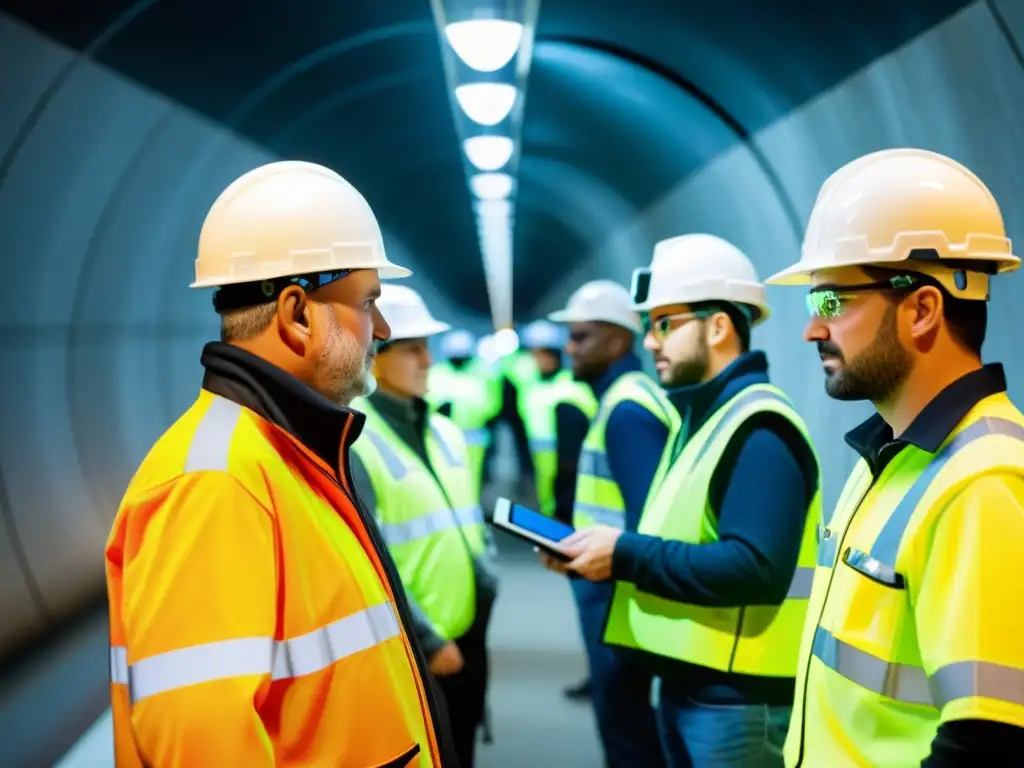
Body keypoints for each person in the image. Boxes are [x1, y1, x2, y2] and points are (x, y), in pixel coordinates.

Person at [105, 161, 457, 766]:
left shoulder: (290, 455)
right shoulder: (215, 482)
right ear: (297, 314)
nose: (384, 328)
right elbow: (200, 744)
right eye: (368, 302)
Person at [764, 147, 1024, 767]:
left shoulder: (984, 481)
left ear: (922, 309)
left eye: (831, 302)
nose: (812, 328)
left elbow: (987, 743)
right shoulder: (887, 455)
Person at [550, 235, 822, 767]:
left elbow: (754, 567)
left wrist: (624, 553)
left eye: (664, 324)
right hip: (690, 685)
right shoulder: (702, 422)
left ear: (717, 326)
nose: (649, 343)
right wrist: (599, 553)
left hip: (738, 702)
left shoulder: (760, 426)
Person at [350, 284, 498, 768]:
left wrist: (486, 575)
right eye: (412, 349)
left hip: (470, 632)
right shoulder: (356, 441)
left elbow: (466, 517)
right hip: (419, 649)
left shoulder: (444, 430)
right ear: (375, 354)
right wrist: (428, 640)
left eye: (427, 347)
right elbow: (370, 561)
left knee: (463, 747)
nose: (428, 360)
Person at [543, 279, 676, 768]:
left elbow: (648, 525)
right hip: (608, 588)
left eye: (581, 336)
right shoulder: (626, 399)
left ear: (620, 339)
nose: (569, 347)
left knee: (628, 737)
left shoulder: (628, 413)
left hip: (619, 602)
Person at [518, 319, 598, 525]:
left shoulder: (571, 386)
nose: (537, 359)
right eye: (534, 354)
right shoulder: (531, 386)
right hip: (539, 456)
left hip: (565, 459)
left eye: (542, 354)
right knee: (547, 503)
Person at [427, 329, 503, 495]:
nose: (460, 360)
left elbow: (493, 405)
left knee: (472, 480)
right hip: (442, 438)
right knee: (447, 478)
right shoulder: (437, 374)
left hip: (475, 438)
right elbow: (428, 404)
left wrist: (478, 416)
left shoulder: (482, 373)